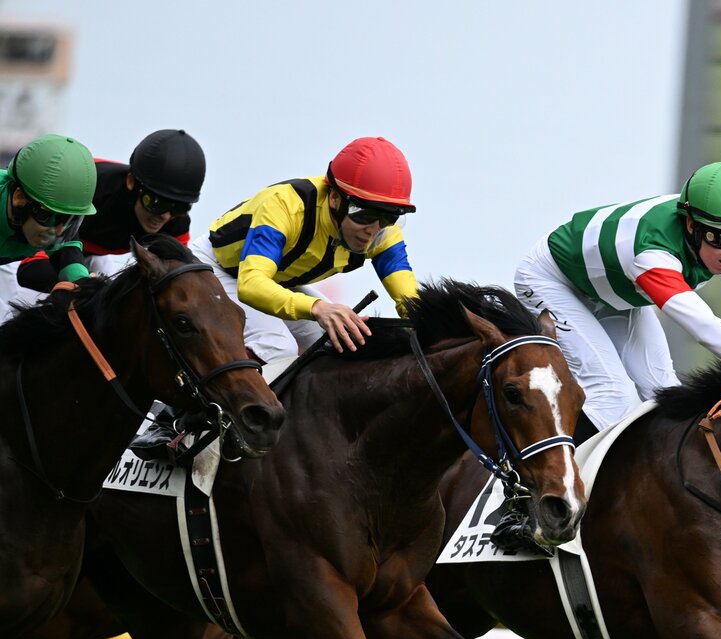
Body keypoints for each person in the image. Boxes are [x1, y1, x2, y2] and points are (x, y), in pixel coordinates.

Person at [493, 159, 721, 550]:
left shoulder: (708, 229)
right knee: (613, 394)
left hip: (611, 290)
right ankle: (527, 506)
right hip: (553, 281)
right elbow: (702, 325)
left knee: (664, 392)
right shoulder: (652, 256)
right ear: (691, 225)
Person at [131, 136, 418, 464]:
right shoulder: (285, 205)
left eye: (389, 217)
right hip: (219, 269)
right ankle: (174, 421)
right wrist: (318, 308)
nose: (374, 229)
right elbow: (252, 284)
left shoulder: (380, 232)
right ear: (335, 199)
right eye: (364, 214)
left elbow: (410, 300)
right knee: (277, 345)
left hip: (278, 279)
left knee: (339, 343)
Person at [0, 129, 205, 321]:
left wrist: (86, 285)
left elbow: (64, 244)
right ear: (131, 183)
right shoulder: (97, 192)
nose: (165, 216)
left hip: (74, 248)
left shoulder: (175, 221)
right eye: (155, 203)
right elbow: (29, 272)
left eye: (179, 208)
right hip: (19, 246)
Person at [0, 134, 96, 305]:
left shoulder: (53, 228)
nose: (58, 230)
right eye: (49, 216)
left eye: (68, 220)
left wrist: (83, 284)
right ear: (19, 197)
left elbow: (66, 249)